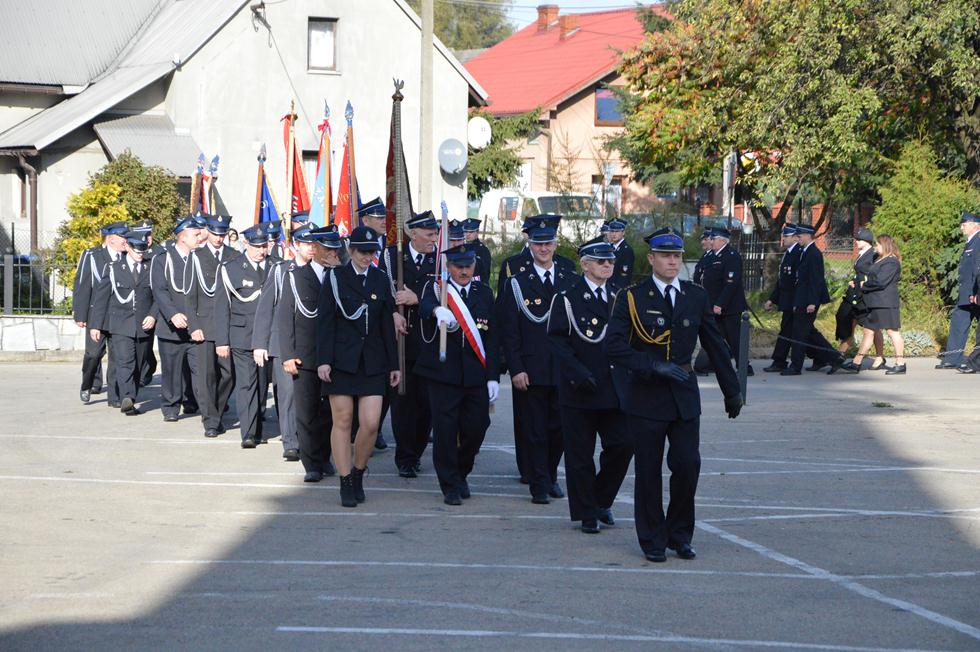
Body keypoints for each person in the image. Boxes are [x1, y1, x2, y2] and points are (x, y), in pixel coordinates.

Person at [605, 228, 742, 562]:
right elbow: (614, 347)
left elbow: (715, 344)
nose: (672, 261)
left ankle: (679, 534)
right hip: (647, 395)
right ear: (651, 259)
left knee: (687, 464)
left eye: (677, 256)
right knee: (648, 471)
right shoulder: (632, 297)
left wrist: (731, 390)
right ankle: (652, 538)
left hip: (683, 393)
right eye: (665, 256)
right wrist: (653, 366)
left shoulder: (695, 295)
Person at [547, 241, 633, 533]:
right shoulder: (567, 298)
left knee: (623, 445)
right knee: (580, 455)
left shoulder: (621, 296)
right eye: (600, 261)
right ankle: (586, 513)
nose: (607, 266)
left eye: (610, 261)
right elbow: (557, 341)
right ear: (585, 265)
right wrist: (577, 373)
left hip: (614, 387)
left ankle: (600, 500)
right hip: (580, 388)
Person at [317, 226, 400, 507]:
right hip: (341, 360)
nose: (367, 257)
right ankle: (344, 480)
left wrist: (394, 364)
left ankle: (358, 472)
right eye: (362, 251)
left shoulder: (379, 278)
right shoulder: (336, 278)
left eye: (371, 252)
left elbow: (386, 324)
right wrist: (323, 360)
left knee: (371, 423)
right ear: (350, 250)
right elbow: (325, 322)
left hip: (373, 360)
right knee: (342, 420)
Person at [415, 243, 500, 505]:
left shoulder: (483, 293)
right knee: (445, 430)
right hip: (444, 374)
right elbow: (423, 305)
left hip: (475, 374)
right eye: (458, 266)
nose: (464, 271)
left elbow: (493, 337)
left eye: (468, 266)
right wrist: (436, 310)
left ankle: (461, 472)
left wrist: (493, 376)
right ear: (448, 267)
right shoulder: (437, 289)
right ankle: (450, 484)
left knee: (477, 427)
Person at [495, 214, 576, 485]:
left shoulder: (569, 276)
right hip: (531, 366)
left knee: (559, 428)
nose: (544, 248)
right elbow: (509, 328)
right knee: (533, 428)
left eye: (548, 243)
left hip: (562, 367)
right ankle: (538, 479)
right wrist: (514, 366)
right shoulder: (517, 279)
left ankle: (548, 474)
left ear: (555, 244)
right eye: (538, 243)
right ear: (529, 244)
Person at [378, 211, 438, 478]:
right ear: (413, 234)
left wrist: (418, 300)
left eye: (435, 234)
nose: (434, 239)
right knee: (402, 403)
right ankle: (405, 457)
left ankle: (417, 450)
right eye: (429, 234)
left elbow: (446, 297)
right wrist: (393, 312)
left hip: (427, 341)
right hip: (399, 344)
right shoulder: (391, 257)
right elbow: (379, 292)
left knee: (426, 404)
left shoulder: (439, 259)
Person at [279, 225, 339, 480]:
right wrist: (287, 355)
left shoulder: (339, 277)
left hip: (334, 356)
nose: (334, 254)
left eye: (336, 249)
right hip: (305, 355)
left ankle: (324, 456)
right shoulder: (296, 277)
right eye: (328, 249)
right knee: (306, 413)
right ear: (315, 249)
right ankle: (311, 464)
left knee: (331, 412)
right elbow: (285, 318)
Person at [88, 232, 156, 415]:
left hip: (144, 325)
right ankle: (128, 398)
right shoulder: (114, 268)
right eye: (137, 249)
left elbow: (160, 295)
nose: (140, 253)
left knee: (139, 364)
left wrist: (153, 315)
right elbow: (101, 298)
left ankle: (130, 393)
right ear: (127, 247)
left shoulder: (151, 267)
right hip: (120, 324)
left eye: (143, 249)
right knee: (125, 362)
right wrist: (95, 325)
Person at [214, 225, 269, 448]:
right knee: (246, 385)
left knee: (263, 385)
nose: (261, 251)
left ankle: (258, 425)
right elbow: (221, 307)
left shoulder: (276, 266)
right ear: (246, 244)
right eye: (256, 246)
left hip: (269, 337)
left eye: (264, 246)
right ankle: (249, 433)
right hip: (243, 336)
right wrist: (222, 341)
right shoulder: (231, 268)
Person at [185, 215, 238, 437]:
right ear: (208, 232)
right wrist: (194, 325)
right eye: (215, 233)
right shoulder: (197, 256)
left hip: (228, 325)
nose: (218, 238)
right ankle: (211, 421)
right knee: (206, 376)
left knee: (229, 374)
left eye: (222, 233)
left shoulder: (234, 256)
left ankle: (216, 408)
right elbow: (189, 295)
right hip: (204, 325)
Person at [150, 215, 203, 422]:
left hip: (196, 326)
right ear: (183, 237)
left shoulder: (199, 259)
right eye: (195, 234)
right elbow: (160, 291)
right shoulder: (163, 259)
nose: (200, 238)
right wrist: (172, 314)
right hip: (171, 327)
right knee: (172, 370)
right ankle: (171, 407)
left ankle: (196, 401)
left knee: (199, 369)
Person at [251, 230, 298, 461]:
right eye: (306, 243)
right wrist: (260, 343)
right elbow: (265, 308)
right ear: (296, 245)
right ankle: (291, 442)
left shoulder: (323, 271)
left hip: (309, 344)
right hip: (281, 344)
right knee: (287, 394)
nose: (311, 248)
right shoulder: (280, 270)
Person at [74, 221, 128, 405]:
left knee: (117, 356)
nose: (126, 241)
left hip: (119, 315)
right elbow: (82, 284)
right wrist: (80, 314)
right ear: (111, 239)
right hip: (97, 314)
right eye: (123, 237)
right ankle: (87, 384)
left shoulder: (127, 256)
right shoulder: (92, 255)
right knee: (93, 354)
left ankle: (114, 395)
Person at [781, 224, 843, 376]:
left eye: (800, 236)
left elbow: (816, 280)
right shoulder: (805, 252)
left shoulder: (814, 253)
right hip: (802, 298)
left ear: (808, 236)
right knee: (808, 332)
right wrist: (796, 302)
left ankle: (796, 366)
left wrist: (812, 302)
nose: (798, 239)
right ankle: (831, 358)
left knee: (799, 334)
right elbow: (801, 281)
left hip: (808, 299)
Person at [840, 235, 906, 375]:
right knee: (868, 331)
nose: (875, 247)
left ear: (885, 245)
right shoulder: (881, 259)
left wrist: (864, 284)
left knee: (892, 332)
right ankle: (856, 362)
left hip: (886, 303)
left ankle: (900, 363)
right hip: (876, 302)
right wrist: (860, 283)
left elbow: (881, 281)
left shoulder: (891, 261)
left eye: (877, 244)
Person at [355, 197, 391, 450]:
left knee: (384, 380)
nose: (384, 221)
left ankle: (373, 428)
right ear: (365, 220)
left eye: (384, 217)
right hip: (358, 325)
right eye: (379, 218)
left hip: (384, 318)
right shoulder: (353, 248)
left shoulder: (391, 248)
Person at [831, 228, 885, 370]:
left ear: (866, 241)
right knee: (850, 322)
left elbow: (874, 274)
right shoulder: (862, 254)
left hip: (866, 295)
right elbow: (861, 273)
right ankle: (840, 356)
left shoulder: (873, 255)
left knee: (873, 328)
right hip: (856, 293)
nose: (856, 242)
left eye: (859, 239)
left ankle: (878, 357)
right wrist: (854, 280)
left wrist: (863, 283)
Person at [701, 227, 752, 375]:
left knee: (734, 339)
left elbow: (731, 283)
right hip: (713, 305)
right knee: (714, 338)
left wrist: (720, 304)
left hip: (729, 307)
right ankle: (713, 364)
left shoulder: (731, 256)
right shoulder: (713, 256)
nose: (711, 241)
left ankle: (744, 367)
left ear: (723, 240)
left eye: (713, 239)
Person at [937, 212, 980, 372]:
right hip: (966, 293)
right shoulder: (971, 242)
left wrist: (976, 292)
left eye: (964, 224)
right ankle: (952, 358)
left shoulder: (978, 240)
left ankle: (975, 361)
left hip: (975, 292)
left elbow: (977, 269)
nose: (961, 228)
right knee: (958, 323)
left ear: (975, 225)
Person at [128, 219, 162, 385]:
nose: (147, 238)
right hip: (133, 312)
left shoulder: (159, 252)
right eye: (143, 235)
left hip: (151, 308)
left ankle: (145, 371)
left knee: (146, 346)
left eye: (148, 234)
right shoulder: (131, 252)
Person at [763, 225, 801, 372]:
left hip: (794, 301)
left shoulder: (798, 253)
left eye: (786, 236)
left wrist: (797, 302)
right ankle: (826, 357)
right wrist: (772, 299)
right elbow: (782, 281)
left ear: (795, 238)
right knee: (801, 332)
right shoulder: (788, 253)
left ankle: (779, 361)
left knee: (788, 331)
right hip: (787, 300)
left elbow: (798, 282)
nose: (783, 239)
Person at [603, 218, 634, 290]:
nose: (614, 234)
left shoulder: (626, 250)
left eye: (617, 231)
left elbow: (624, 276)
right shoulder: (609, 247)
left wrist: (616, 292)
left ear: (623, 232)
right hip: (606, 287)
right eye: (612, 231)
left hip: (617, 290)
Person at [462, 217, 492, 283]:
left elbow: (485, 273)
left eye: (471, 232)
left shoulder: (483, 250)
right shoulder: (461, 248)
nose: (468, 234)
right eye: (466, 231)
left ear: (477, 232)